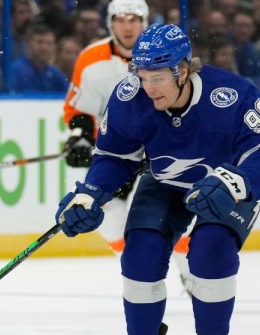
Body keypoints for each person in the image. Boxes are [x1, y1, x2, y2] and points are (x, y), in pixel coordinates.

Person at [55, 24, 260, 335]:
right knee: (140, 252)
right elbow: (115, 157)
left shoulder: (230, 95)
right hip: (165, 180)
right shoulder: (130, 96)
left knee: (211, 249)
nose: (149, 87)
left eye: (158, 78)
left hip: (228, 183)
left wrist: (237, 182)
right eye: (143, 76)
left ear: (183, 70)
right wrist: (91, 195)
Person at [61, 0, 191, 285]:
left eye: (133, 19)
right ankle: (139, 273)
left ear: (144, 22)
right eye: (120, 19)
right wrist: (79, 138)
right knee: (108, 216)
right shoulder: (91, 59)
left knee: (167, 214)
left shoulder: (166, 53)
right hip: (118, 151)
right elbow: (80, 110)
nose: (127, 26)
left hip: (160, 149)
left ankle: (190, 273)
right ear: (110, 23)